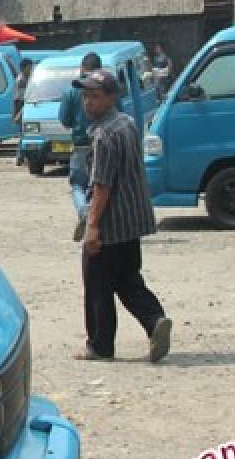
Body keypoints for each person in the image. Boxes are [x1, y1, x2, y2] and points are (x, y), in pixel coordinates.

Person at [74, 68, 172, 363]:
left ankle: (100, 345)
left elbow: (102, 185)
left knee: (97, 284)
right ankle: (154, 320)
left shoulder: (104, 135)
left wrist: (92, 227)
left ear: (111, 98)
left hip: (111, 223)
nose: (87, 102)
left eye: (95, 96)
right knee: (127, 277)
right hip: (134, 219)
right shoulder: (127, 123)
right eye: (85, 96)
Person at [60, 52, 102, 241]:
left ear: (82, 68)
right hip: (102, 145)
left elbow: (65, 120)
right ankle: (95, 218)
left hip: (80, 146)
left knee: (77, 184)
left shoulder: (71, 91)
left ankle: (84, 212)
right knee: (100, 183)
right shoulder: (106, 88)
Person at [13, 59, 34, 165]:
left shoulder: (27, 79)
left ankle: (22, 156)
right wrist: (18, 113)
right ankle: (19, 157)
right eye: (30, 67)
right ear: (24, 68)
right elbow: (20, 99)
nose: (31, 69)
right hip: (22, 108)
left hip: (24, 108)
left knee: (24, 133)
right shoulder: (21, 80)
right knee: (23, 134)